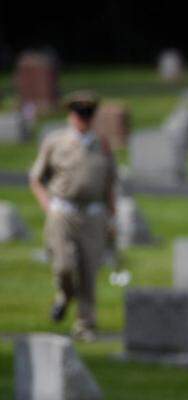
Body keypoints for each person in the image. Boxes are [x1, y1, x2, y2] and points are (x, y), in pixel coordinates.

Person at [28, 91, 117, 341]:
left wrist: (112, 217)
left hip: (93, 214)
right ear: (71, 115)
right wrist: (49, 207)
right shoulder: (55, 141)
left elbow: (110, 182)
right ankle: (65, 296)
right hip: (63, 211)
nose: (84, 119)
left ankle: (85, 324)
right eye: (80, 113)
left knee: (89, 271)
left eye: (88, 114)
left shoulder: (102, 144)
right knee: (64, 266)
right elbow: (36, 178)